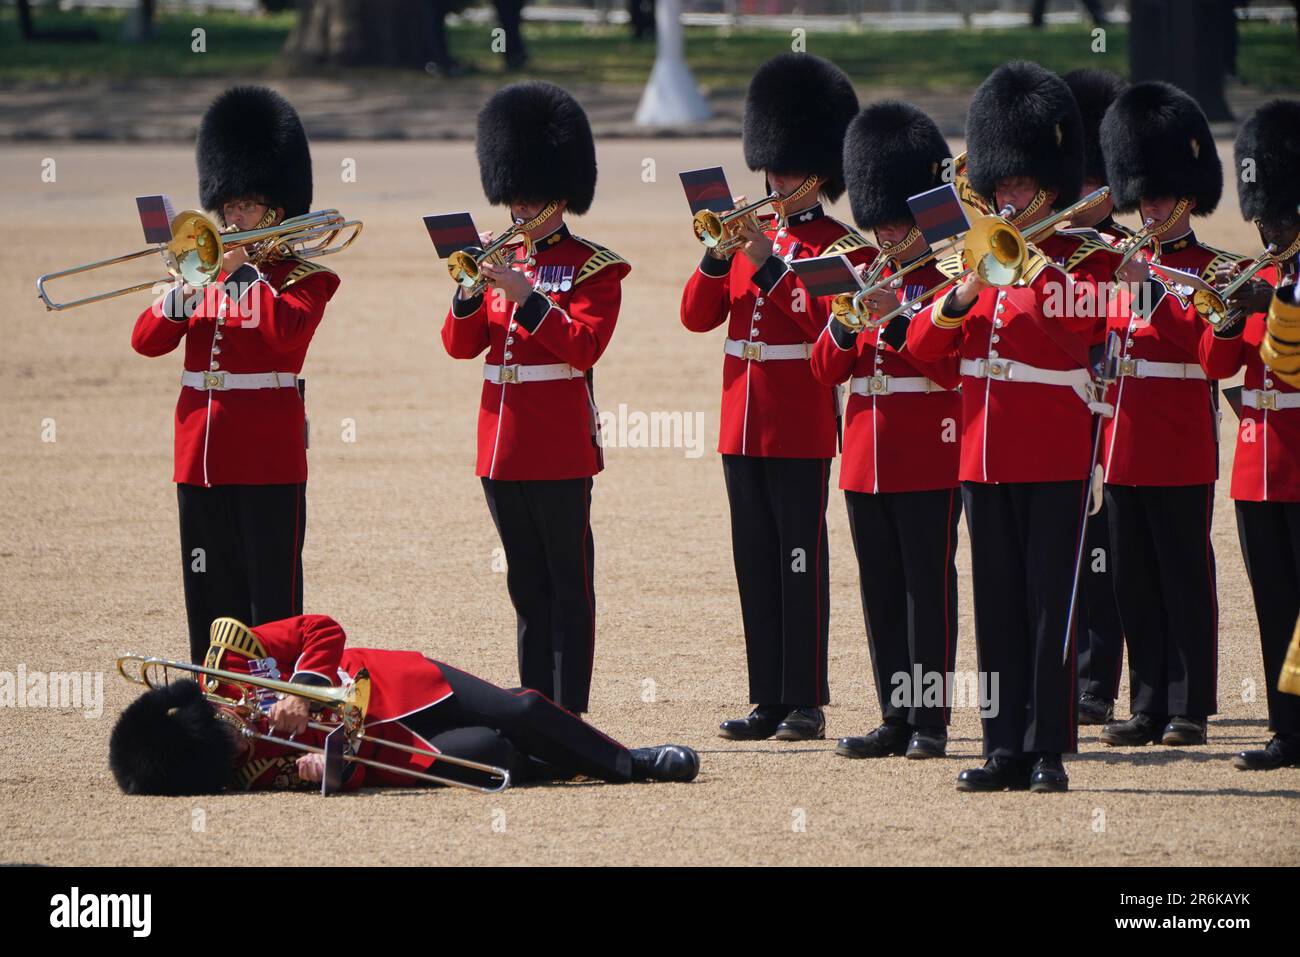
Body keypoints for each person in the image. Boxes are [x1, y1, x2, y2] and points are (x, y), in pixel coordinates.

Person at [907, 61, 1115, 793]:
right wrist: (964, 293)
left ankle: (1048, 747)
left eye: (1019, 186)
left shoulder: (1088, 257)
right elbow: (926, 354)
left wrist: (1033, 270)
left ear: (1047, 188)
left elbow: (1085, 327)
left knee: (1047, 606)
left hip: (1053, 450)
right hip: (981, 453)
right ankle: (1002, 746)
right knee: (995, 605)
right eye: (1000, 186)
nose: (1006, 196)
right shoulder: (977, 254)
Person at [680, 54, 867, 742]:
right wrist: (716, 255)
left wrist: (767, 266)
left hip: (798, 417)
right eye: (771, 167)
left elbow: (829, 329)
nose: (775, 179)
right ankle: (766, 695)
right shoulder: (743, 237)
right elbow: (695, 316)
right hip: (742, 417)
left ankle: (805, 698)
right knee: (754, 557)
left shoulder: (837, 246)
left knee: (799, 558)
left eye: (787, 170)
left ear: (817, 173)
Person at [130, 86, 341, 665]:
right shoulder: (200, 275)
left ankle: (273, 715)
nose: (233, 217)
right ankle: (214, 705)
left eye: (246, 206)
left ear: (275, 210)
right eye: (229, 206)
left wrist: (245, 276)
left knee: (270, 601)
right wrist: (176, 299)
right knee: (209, 595)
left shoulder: (304, 279)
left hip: (267, 458)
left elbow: (287, 337)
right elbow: (145, 343)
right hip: (199, 454)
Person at [441, 82, 629, 715]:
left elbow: (583, 347)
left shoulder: (593, 267)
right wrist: (469, 295)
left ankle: (568, 709)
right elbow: (460, 348)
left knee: (567, 585)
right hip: (501, 443)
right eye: (512, 193)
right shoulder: (497, 259)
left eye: (530, 194)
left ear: (560, 194)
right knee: (525, 584)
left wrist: (528, 299)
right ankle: (532, 705)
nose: (518, 205)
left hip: (557, 445)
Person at [109, 614, 699, 794]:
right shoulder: (244, 770)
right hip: (392, 748)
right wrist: (331, 772)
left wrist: (307, 688)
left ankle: (632, 763)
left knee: (519, 710)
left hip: (399, 681)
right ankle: (568, 763)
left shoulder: (230, 658)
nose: (238, 741)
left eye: (223, 731)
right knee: (499, 757)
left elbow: (320, 629)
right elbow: (329, 772)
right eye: (225, 751)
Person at [810, 101, 962, 761]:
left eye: (897, 218)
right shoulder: (865, 275)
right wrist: (847, 322)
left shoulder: (946, 281)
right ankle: (894, 714)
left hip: (927, 452)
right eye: (881, 218)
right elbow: (823, 365)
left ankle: (931, 718)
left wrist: (894, 318)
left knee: (927, 588)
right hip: (866, 454)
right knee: (879, 591)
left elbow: (947, 362)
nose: (888, 230)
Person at [1096, 81, 1239, 749]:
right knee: (1133, 578)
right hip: (1123, 445)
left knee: (1184, 574)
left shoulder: (1215, 272)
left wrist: (1157, 295)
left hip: (1178, 444)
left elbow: (1217, 358)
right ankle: (1148, 701)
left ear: (1187, 196)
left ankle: (1190, 705)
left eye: (1159, 195)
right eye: (1142, 194)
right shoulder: (1127, 266)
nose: (1148, 206)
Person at [1199, 99, 1300, 770]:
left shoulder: (1287, 286)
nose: (1266, 226)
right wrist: (1231, 319)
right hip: (1257, 465)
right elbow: (1215, 365)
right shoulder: (1258, 274)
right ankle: (1287, 728)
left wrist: (1280, 303)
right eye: (1261, 216)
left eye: (1278, 215)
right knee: (1273, 606)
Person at [1062, 68, 1131, 726]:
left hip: (1111, 410)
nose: (1082, 196)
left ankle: (1096, 682)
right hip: (1052, 406)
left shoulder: (1121, 252)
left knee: (1106, 549)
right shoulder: (1047, 247)